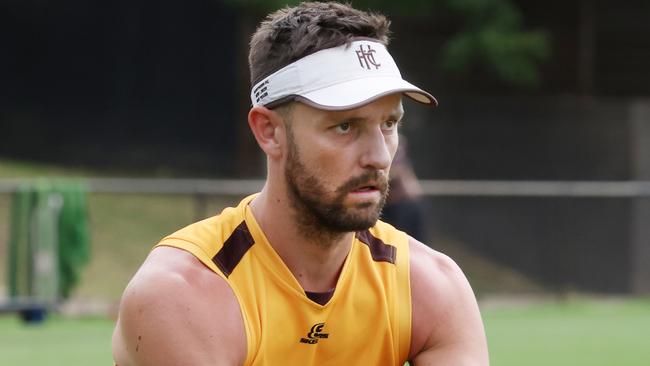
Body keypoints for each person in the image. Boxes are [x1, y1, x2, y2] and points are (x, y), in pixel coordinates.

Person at [112, 2, 489, 365]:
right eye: (345, 126)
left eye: (389, 124)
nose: (379, 156)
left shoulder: (431, 286)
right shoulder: (183, 293)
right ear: (269, 132)